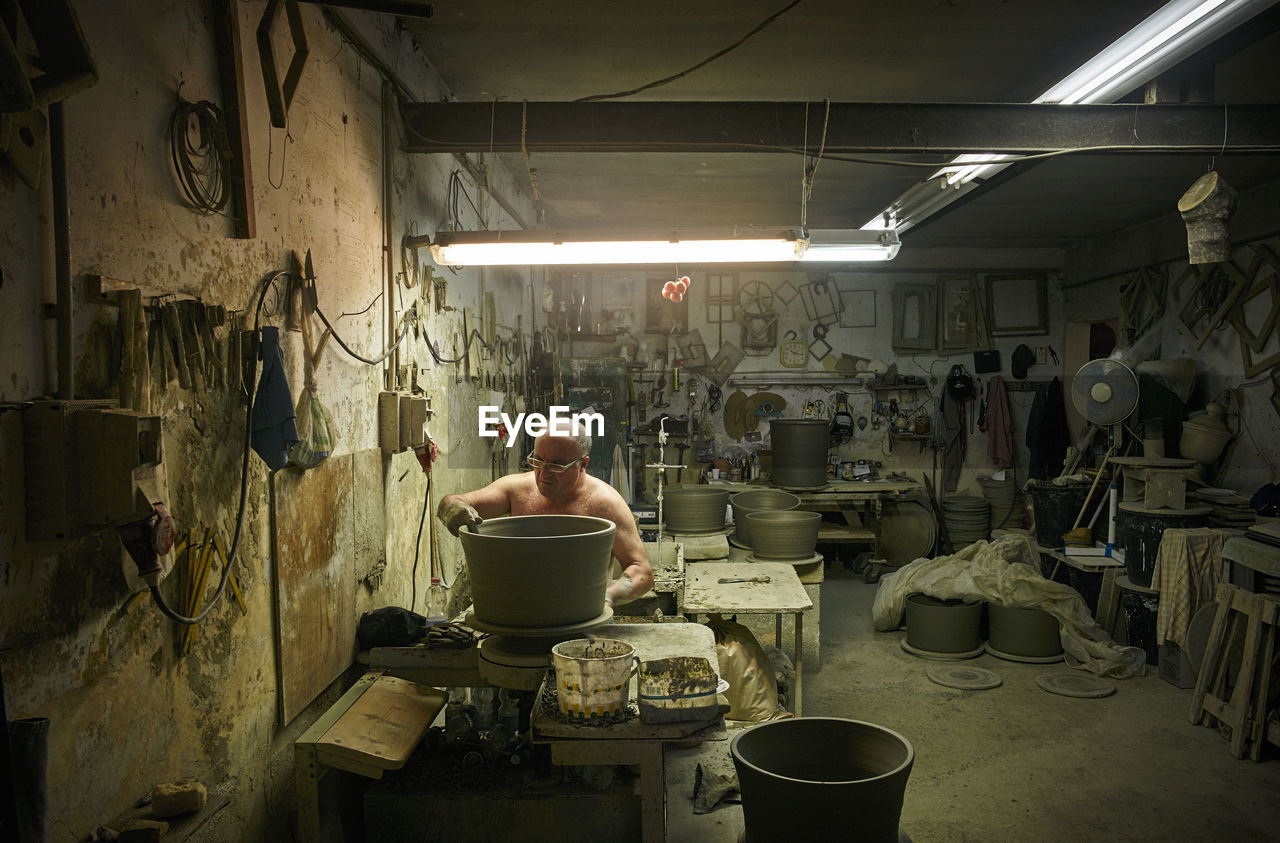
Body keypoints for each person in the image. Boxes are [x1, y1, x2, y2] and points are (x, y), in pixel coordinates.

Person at [437, 431, 653, 606]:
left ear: (583, 464)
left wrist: (608, 597)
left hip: (580, 620)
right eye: (538, 461)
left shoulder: (605, 504)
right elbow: (452, 501)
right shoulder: (516, 489)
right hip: (512, 612)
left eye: (557, 465)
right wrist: (452, 509)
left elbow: (642, 572)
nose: (543, 473)